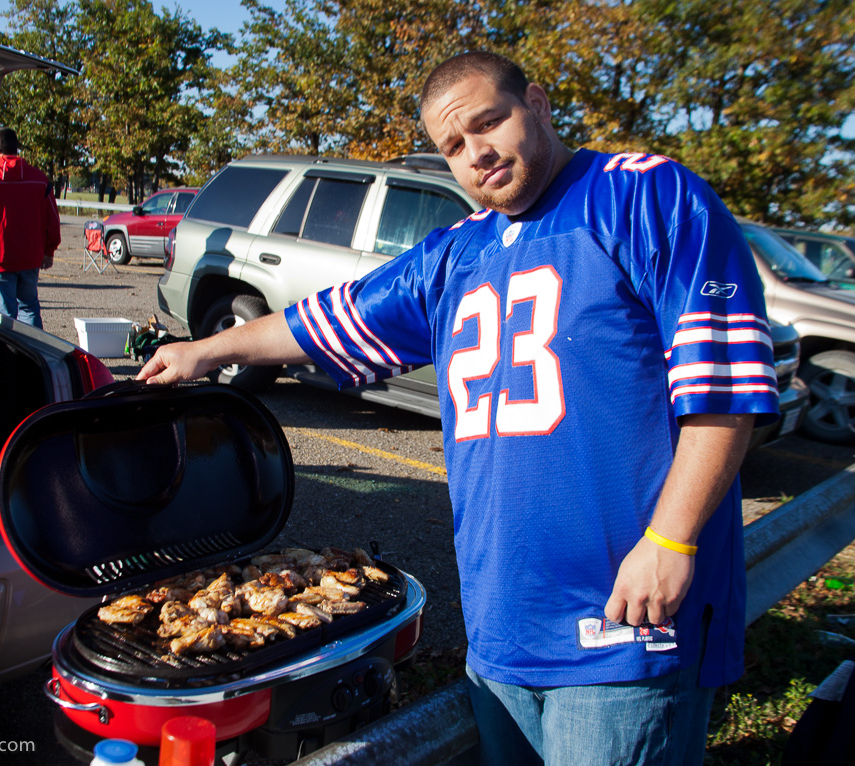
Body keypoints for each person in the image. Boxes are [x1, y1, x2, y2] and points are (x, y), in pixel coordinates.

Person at [137, 51, 779, 764]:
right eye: (453, 145)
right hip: (501, 634)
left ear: (536, 104)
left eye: (489, 122)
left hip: (626, 632)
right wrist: (202, 350)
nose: (476, 153)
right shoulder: (455, 254)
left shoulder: (645, 196)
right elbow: (324, 319)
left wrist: (672, 541)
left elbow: (723, 390)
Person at [0, 126, 61, 329]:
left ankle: (9, 356)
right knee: (29, 308)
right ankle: (36, 354)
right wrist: (49, 250)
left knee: (4, 314)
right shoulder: (39, 178)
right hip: (30, 258)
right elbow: (53, 218)